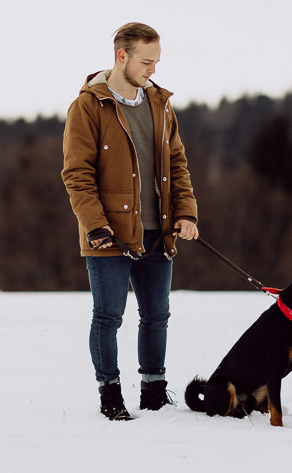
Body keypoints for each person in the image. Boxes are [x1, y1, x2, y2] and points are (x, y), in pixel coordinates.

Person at [62, 22, 199, 421]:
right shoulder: (88, 105)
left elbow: (178, 163)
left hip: (159, 231)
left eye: (157, 61)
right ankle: (110, 395)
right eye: (146, 61)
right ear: (122, 57)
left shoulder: (160, 103)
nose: (153, 69)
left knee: (156, 315)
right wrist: (95, 226)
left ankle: (154, 394)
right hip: (109, 234)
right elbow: (77, 174)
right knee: (108, 317)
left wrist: (186, 212)